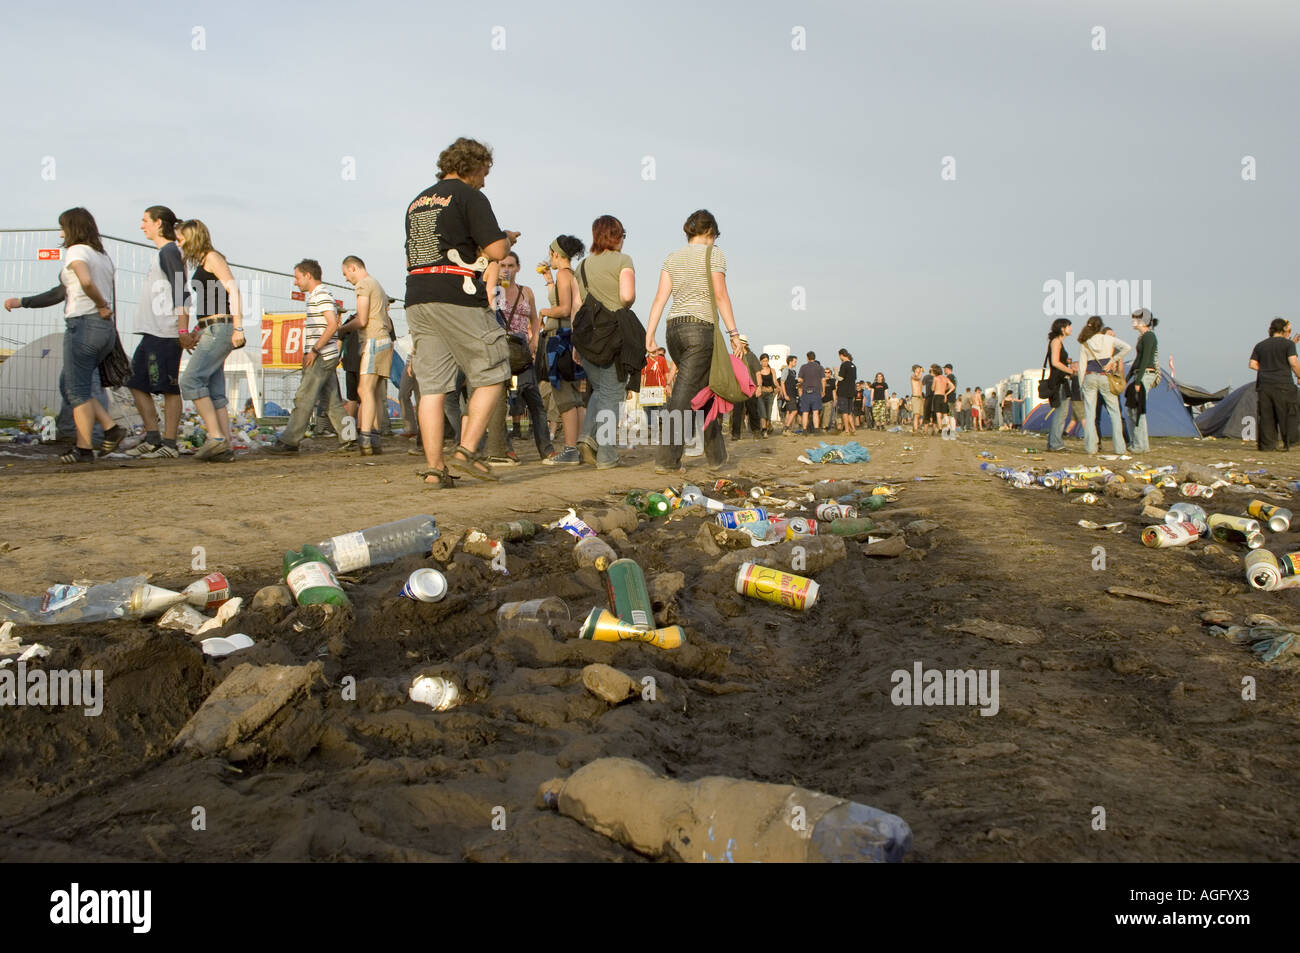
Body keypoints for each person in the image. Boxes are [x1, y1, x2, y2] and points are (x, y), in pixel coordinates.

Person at [402, 137, 519, 486]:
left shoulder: (416, 202)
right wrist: (506, 238)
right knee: (496, 367)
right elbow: (497, 250)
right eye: (485, 171)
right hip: (455, 292)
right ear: (473, 166)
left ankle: (434, 471)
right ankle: (466, 451)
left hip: (418, 295)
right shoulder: (470, 196)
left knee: (433, 386)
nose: (485, 179)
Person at [3, 208, 123, 463]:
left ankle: (85, 447)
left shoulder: (76, 251)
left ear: (72, 228)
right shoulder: (103, 256)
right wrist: (23, 301)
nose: (60, 233)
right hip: (104, 330)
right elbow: (65, 290)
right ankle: (109, 428)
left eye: (62, 227)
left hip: (84, 324)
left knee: (78, 390)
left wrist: (100, 303)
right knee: (70, 383)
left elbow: (86, 282)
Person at [643, 209, 743, 474]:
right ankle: (666, 460)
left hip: (673, 330)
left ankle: (717, 457)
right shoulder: (715, 253)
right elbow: (720, 295)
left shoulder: (672, 258)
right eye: (716, 235)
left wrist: (649, 334)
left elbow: (659, 299)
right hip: (700, 330)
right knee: (683, 398)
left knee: (709, 390)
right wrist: (734, 334)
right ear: (710, 232)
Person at [173, 219, 244, 461]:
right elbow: (209, 302)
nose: (178, 243)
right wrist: (197, 329)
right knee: (214, 392)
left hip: (221, 328)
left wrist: (239, 328)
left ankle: (215, 438)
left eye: (181, 239)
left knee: (191, 380)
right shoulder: (204, 262)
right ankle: (225, 446)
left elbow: (233, 290)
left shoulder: (213, 258)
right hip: (211, 327)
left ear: (192, 238)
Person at [122, 206, 188, 459]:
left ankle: (169, 444)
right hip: (152, 331)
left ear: (158, 223)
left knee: (169, 387)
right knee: (136, 382)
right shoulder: (162, 253)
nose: (142, 226)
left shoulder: (170, 251)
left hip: (166, 332)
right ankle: (152, 438)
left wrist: (182, 329)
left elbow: (181, 290)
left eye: (145, 221)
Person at [266, 260, 350, 454]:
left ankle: (290, 440)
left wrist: (314, 350)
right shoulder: (319, 295)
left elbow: (332, 325)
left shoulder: (320, 295)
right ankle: (349, 437)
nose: (296, 282)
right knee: (331, 400)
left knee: (304, 397)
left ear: (308, 276)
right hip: (326, 354)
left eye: (297, 277)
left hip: (321, 356)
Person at [573, 214, 636, 469]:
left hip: (587, 336)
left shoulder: (582, 266)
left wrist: (576, 344)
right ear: (617, 235)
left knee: (600, 391)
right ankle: (607, 455)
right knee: (612, 393)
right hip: (614, 336)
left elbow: (577, 306)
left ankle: (588, 439)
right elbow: (627, 296)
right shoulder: (623, 260)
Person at [496, 251, 553, 460]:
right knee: (500, 403)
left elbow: (534, 318)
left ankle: (546, 449)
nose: (506, 270)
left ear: (518, 268)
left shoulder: (525, 291)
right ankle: (506, 449)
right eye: (503, 265)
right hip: (500, 351)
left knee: (535, 402)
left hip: (522, 351)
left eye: (511, 265)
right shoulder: (493, 291)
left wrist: (534, 340)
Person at [338, 255, 394, 455]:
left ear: (353, 267)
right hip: (385, 341)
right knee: (375, 393)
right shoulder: (377, 285)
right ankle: (375, 439)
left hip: (373, 340)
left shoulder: (363, 285)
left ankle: (366, 438)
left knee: (364, 391)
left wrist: (342, 329)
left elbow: (361, 320)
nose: (346, 279)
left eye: (345, 274)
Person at [538, 235, 586, 465]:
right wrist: (549, 281)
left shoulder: (563, 275)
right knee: (576, 397)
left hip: (559, 339)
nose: (549, 258)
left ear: (557, 253)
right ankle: (579, 446)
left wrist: (544, 312)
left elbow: (565, 308)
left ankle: (569, 450)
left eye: (550, 253)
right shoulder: (572, 274)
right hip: (572, 338)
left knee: (564, 396)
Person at [1075, 315, 1131, 455]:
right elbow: (1127, 347)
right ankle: (1120, 448)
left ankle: (1091, 448)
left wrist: (1080, 385)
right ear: (1101, 327)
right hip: (1105, 377)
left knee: (1090, 414)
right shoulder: (1108, 339)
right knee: (1115, 413)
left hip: (1089, 377)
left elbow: (1082, 366)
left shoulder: (1085, 343)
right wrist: (1113, 360)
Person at [1249, 317, 1300, 451]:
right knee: (1288, 415)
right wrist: (1299, 376)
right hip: (1283, 385)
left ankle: (1267, 446)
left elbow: (1252, 364)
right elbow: (1293, 363)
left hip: (1264, 385)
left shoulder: (1260, 345)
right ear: (1284, 329)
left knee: (1267, 416)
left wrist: (1266, 369)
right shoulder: (1288, 345)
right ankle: (1290, 443)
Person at [1126, 308, 1159, 454]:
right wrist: (1127, 379)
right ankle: (1140, 444)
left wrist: (1138, 382)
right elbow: (1138, 360)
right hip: (1139, 373)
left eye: (1134, 319)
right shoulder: (1142, 337)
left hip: (1145, 374)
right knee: (1133, 409)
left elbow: (1145, 359)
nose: (1132, 321)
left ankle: (1139, 445)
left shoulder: (1149, 336)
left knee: (1137, 410)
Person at [1044, 318, 1076, 452]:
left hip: (1060, 379)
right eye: (1069, 326)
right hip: (1059, 381)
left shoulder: (1058, 342)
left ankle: (1053, 442)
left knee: (1061, 412)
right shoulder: (1056, 342)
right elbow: (1055, 362)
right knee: (1061, 413)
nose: (1071, 329)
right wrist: (1071, 371)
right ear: (1062, 328)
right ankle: (1056, 444)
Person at [730, 335, 763, 440]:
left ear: (743, 344)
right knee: (737, 412)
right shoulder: (734, 357)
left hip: (751, 388)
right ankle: (736, 434)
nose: (733, 345)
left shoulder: (751, 356)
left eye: (736, 343)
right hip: (738, 389)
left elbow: (758, 373)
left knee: (753, 410)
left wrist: (759, 387)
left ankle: (756, 432)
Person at [798, 352, 824, 433]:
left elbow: (799, 379)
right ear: (814, 357)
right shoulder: (820, 367)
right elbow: (823, 380)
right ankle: (816, 430)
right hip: (816, 392)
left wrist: (804, 381)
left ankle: (805, 430)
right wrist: (823, 391)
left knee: (805, 412)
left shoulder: (803, 367)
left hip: (806, 392)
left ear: (807, 358)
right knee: (815, 412)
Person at [836, 349, 857, 434]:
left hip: (843, 391)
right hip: (851, 391)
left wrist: (835, 371)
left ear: (841, 355)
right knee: (849, 412)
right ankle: (853, 429)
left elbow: (840, 378)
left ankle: (847, 430)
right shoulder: (853, 365)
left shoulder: (844, 365)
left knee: (844, 412)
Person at [931, 363, 955, 439]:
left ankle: (940, 429)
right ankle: (948, 428)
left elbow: (933, 389)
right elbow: (953, 387)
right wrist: (946, 392)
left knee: (938, 414)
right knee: (945, 414)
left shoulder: (936, 378)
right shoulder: (945, 378)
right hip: (943, 396)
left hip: (937, 396)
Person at [756, 353, 776, 435]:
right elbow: (759, 382)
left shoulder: (772, 370)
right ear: (760, 361)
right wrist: (759, 388)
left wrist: (778, 387)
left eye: (766, 361)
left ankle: (768, 426)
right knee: (763, 413)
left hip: (770, 394)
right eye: (763, 361)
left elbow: (774, 381)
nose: (765, 362)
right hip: (761, 394)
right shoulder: (758, 371)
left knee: (768, 414)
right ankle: (764, 430)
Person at [780, 355, 800, 433]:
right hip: (789, 394)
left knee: (789, 412)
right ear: (790, 362)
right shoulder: (786, 370)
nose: (796, 363)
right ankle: (787, 427)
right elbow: (782, 382)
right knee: (794, 411)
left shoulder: (792, 372)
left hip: (793, 393)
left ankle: (786, 428)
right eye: (795, 361)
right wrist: (785, 394)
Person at [909, 365, 925, 434]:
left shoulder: (920, 378)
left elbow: (921, 387)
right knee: (916, 414)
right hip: (915, 397)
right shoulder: (913, 376)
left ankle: (915, 428)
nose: (920, 369)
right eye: (918, 368)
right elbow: (918, 378)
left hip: (920, 398)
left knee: (920, 415)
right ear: (915, 369)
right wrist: (921, 372)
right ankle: (915, 430)